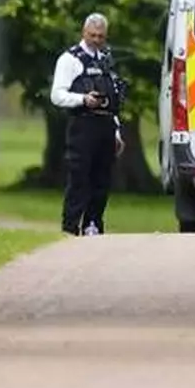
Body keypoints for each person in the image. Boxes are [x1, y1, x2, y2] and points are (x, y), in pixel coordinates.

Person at [50, 12, 129, 236]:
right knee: (79, 177)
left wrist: (116, 131)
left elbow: (112, 100)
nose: (96, 40)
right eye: (92, 35)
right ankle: (70, 225)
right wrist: (83, 99)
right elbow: (57, 95)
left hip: (105, 125)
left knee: (102, 179)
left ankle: (93, 223)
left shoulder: (105, 58)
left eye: (101, 36)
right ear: (84, 32)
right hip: (83, 124)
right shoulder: (70, 59)